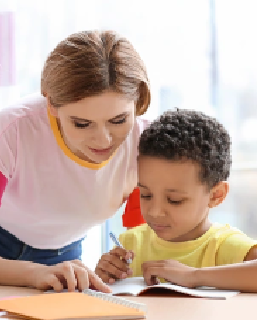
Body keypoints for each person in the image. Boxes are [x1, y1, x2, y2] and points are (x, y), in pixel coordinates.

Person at [0, 30, 150, 292]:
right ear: (51, 104)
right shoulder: (15, 127)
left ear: (138, 101)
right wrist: (34, 273)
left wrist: (120, 264)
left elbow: (145, 240)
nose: (103, 139)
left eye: (118, 120)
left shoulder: (145, 144)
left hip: (60, 253)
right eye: (82, 124)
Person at [95, 109, 257, 289]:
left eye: (174, 200)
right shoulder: (131, 243)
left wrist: (194, 276)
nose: (155, 212)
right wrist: (103, 277)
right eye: (146, 195)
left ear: (215, 195)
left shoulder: (224, 246)